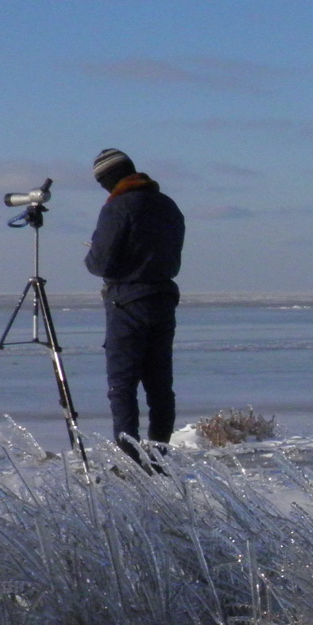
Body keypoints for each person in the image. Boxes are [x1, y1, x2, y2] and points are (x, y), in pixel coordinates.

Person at [85, 147, 185, 462]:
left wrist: (91, 253)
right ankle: (159, 456)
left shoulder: (117, 208)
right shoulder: (168, 206)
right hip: (163, 298)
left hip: (126, 302)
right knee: (159, 384)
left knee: (123, 385)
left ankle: (130, 460)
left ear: (108, 180)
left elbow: (102, 263)